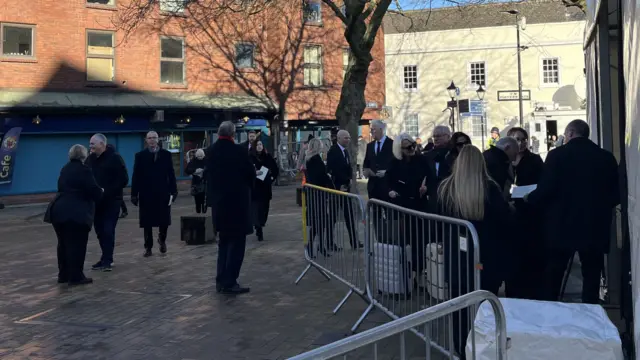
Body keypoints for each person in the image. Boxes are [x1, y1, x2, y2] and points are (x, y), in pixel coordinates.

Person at [526, 120, 619, 304]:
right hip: (594, 225)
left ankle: (552, 310)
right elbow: (615, 195)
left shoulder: (556, 156)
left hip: (561, 225)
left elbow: (546, 189)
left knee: (555, 273)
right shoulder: (606, 158)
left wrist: (530, 199)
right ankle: (590, 312)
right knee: (591, 275)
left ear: (569, 133)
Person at [437, 145, 513, 358]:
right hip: (486, 258)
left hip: (457, 259)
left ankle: (461, 349)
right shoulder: (489, 188)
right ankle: (483, 349)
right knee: (487, 306)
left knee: (459, 309)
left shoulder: (446, 189)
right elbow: (504, 219)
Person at [206, 121, 255, 295]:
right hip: (237, 204)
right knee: (236, 245)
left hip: (220, 206)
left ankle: (221, 280)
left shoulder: (211, 151)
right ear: (233, 134)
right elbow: (250, 174)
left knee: (224, 243)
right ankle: (230, 281)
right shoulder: (239, 151)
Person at [45, 144, 103, 286]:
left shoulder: (65, 169)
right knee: (77, 244)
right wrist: (101, 192)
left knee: (63, 243)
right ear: (83, 156)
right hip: (76, 213)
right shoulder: (84, 170)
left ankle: (63, 274)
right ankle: (76, 276)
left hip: (58, 210)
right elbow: (93, 190)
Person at [384, 133, 433, 275]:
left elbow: (430, 178)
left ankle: (419, 269)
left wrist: (426, 188)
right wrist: (391, 191)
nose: (411, 149)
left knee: (421, 239)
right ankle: (408, 270)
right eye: (407, 147)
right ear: (400, 149)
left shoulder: (422, 160)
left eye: (412, 145)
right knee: (406, 239)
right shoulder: (395, 163)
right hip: (403, 205)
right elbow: (388, 181)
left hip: (420, 204)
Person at [504, 127, 545, 300]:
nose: (519, 143)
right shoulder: (503, 161)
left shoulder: (534, 160)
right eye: (515, 139)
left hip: (528, 210)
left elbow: (542, 182)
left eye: (522, 139)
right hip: (508, 211)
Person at [131, 131, 178, 257]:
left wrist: (174, 190)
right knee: (147, 222)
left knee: (164, 220)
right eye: (149, 138)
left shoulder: (166, 155)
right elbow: (136, 176)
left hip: (163, 192)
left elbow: (171, 174)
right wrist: (134, 193)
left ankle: (162, 240)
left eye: (154, 138)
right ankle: (148, 247)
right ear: (146, 140)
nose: (152, 140)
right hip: (146, 192)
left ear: (158, 140)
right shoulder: (140, 156)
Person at [86, 134, 129, 272]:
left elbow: (124, 179)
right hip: (97, 201)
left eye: (93, 144)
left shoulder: (115, 158)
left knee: (108, 229)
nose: (90, 146)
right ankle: (104, 257)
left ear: (102, 144)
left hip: (112, 201)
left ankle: (108, 260)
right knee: (99, 230)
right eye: (90, 144)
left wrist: (107, 190)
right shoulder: (90, 159)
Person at [326, 129, 362, 249]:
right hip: (336, 189)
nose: (348, 140)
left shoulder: (345, 151)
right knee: (332, 217)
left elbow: (348, 167)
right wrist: (338, 185)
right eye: (346, 138)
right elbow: (331, 170)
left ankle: (354, 242)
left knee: (349, 215)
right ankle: (330, 243)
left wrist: (350, 180)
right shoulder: (333, 151)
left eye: (349, 138)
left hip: (345, 188)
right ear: (339, 138)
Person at [304, 137, 335, 257]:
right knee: (319, 222)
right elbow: (320, 176)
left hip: (315, 194)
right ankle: (312, 246)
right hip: (317, 194)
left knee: (321, 221)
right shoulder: (315, 159)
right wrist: (327, 177)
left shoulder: (311, 159)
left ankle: (320, 246)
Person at [249, 140, 279, 241]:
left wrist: (271, 178)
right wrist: (253, 173)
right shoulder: (250, 157)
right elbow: (246, 170)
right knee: (256, 209)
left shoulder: (268, 157)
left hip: (265, 187)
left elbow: (275, 169)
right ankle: (258, 227)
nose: (259, 146)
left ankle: (261, 223)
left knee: (264, 208)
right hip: (255, 187)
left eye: (261, 144)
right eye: (257, 145)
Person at [424, 125, 453, 211]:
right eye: (434, 136)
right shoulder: (428, 155)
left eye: (438, 136)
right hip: (433, 196)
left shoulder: (453, 153)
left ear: (448, 136)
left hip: (450, 195)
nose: (436, 139)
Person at [185, 149, 207, 214]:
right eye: (199, 157)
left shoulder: (205, 160)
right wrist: (194, 171)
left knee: (203, 196)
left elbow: (210, 169)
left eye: (201, 157)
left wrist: (204, 172)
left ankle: (203, 207)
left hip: (203, 181)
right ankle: (198, 209)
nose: (200, 159)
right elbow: (187, 170)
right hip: (196, 182)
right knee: (197, 197)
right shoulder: (193, 161)